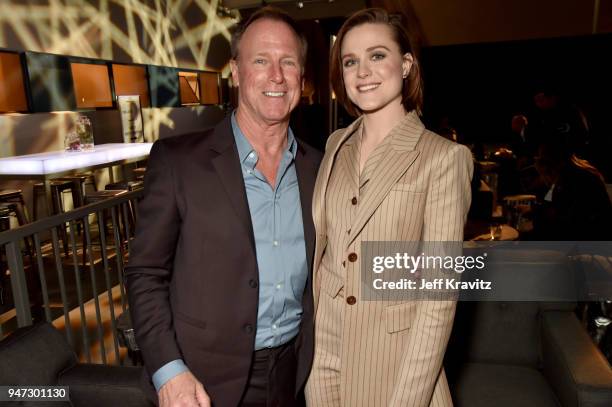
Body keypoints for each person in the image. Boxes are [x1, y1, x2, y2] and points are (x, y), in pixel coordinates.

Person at [125, 7, 321, 407]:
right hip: (202, 382)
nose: (277, 76)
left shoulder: (319, 168)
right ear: (235, 71)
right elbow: (145, 274)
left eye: (288, 62)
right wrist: (168, 370)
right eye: (261, 61)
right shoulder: (179, 162)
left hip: (298, 373)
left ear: (302, 75)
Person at [305, 8, 473, 407]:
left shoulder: (443, 158)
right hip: (322, 356)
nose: (362, 71)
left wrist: (409, 398)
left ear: (407, 65)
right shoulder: (335, 146)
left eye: (377, 55)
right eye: (350, 61)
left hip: (395, 364)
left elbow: (439, 297)